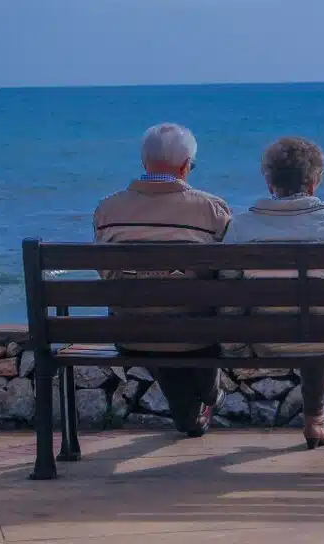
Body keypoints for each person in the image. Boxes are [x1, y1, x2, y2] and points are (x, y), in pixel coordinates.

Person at [221, 136, 324, 449]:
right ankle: (315, 421)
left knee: (308, 318)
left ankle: (315, 421)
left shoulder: (241, 226)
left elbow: (229, 297)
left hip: (265, 342)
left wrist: (236, 347)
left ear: (270, 182)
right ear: (313, 183)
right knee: (319, 322)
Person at [93, 123, 231, 437]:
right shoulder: (211, 209)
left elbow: (106, 274)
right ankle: (209, 397)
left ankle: (194, 414)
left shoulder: (108, 209)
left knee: (153, 316)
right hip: (198, 334)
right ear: (185, 167)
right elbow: (227, 274)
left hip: (131, 333)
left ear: (144, 163)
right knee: (189, 319)